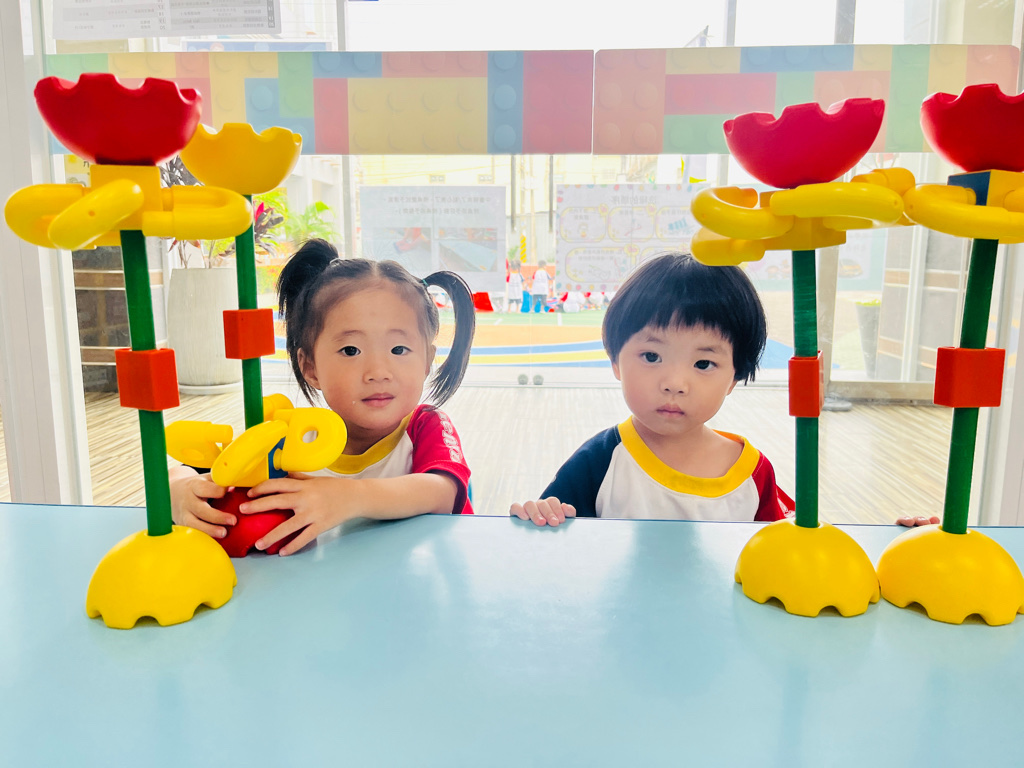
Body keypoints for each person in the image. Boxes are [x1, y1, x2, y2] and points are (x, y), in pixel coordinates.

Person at [170, 239, 477, 555]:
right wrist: (179, 490)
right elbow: (200, 469)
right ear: (310, 367)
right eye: (351, 350)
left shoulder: (427, 427)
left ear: (427, 361)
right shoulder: (292, 437)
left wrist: (350, 497)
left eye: (399, 349)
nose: (378, 372)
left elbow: (442, 492)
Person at [511, 252, 793, 526]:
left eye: (703, 363)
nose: (675, 384)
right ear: (615, 360)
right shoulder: (599, 461)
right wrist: (543, 516)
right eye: (651, 356)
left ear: (735, 376)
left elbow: (776, 547)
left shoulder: (752, 473)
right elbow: (555, 536)